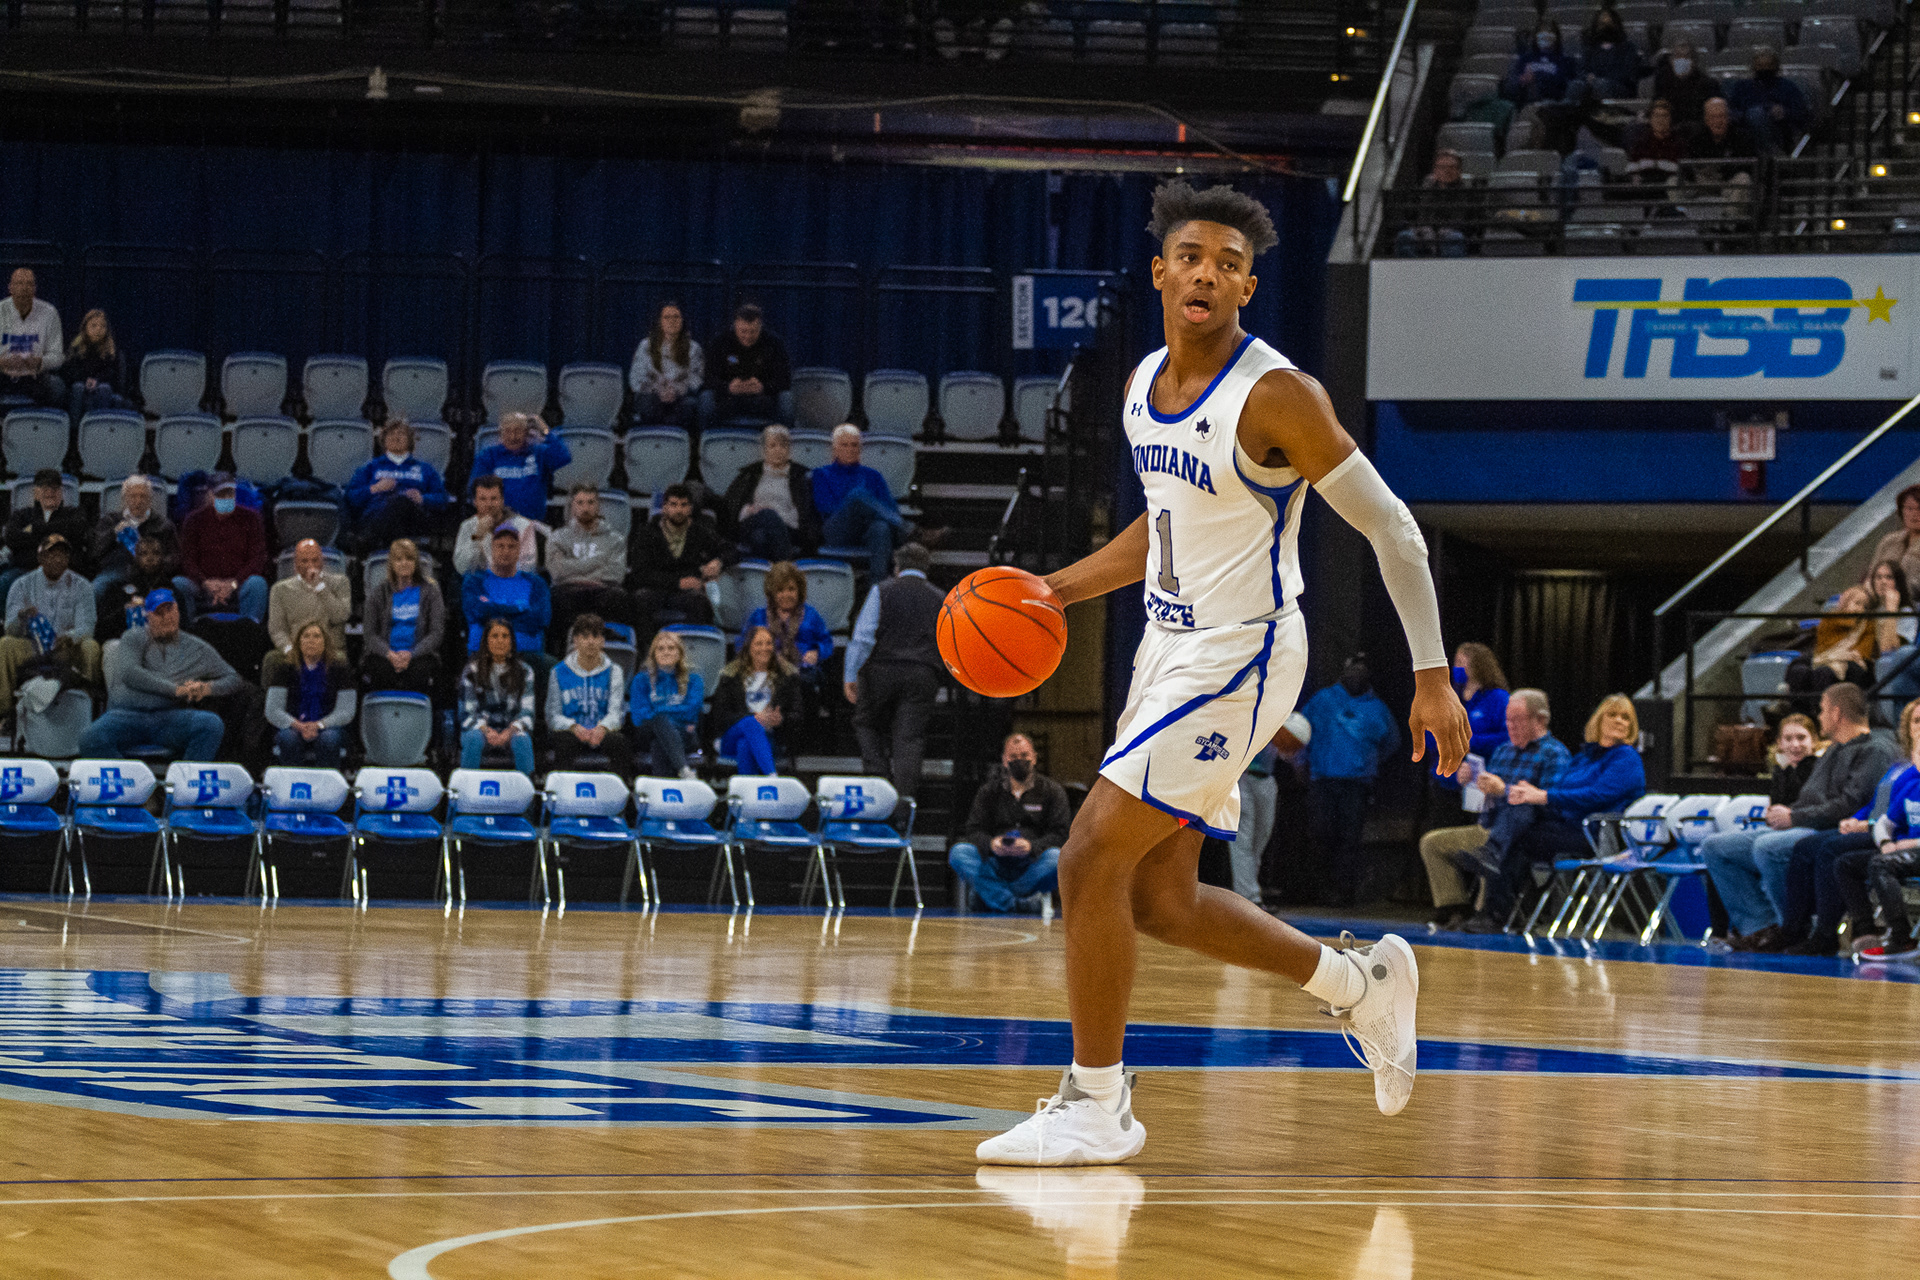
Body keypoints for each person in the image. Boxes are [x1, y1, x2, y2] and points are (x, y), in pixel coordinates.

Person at [974, 181, 1469, 1168]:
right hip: (1167, 650)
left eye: (1229, 264)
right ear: (1161, 271)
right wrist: (1054, 590)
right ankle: (1358, 986)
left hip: (1243, 653)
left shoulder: (1278, 395)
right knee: (1160, 900)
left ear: (1247, 286)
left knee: (1086, 856)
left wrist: (1431, 674)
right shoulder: (1141, 384)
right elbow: (1162, 526)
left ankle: (1097, 1104)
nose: (1207, 273)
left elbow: (1394, 528)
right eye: (1192, 256)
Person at [1703, 682, 1900, 952]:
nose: (1819, 716)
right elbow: (1810, 799)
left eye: (1822, 710)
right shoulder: (1833, 749)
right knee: (1716, 847)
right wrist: (1784, 814)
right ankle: (1761, 927)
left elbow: (1850, 804)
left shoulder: (1874, 750)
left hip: (1831, 828)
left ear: (1836, 713)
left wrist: (1794, 817)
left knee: (1768, 847)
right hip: (1804, 823)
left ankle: (1792, 927)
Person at [1454, 693, 1647, 932]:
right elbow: (1561, 790)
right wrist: (1526, 793)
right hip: (1566, 825)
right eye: (1613, 715)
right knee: (1521, 812)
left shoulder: (1627, 758)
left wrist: (1542, 796)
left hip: (1595, 832)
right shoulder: (1584, 758)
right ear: (1599, 720)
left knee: (1520, 834)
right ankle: (1503, 908)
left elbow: (1596, 795)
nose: (1619, 721)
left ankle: (1499, 909)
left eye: (1626, 717)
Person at [1419, 689, 1570, 930]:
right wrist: (1470, 782)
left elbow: (1549, 804)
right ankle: (1455, 908)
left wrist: (1503, 790)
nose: (1510, 726)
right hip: (1489, 826)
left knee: (1493, 853)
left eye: (1517, 720)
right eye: (1507, 720)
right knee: (1432, 842)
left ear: (1540, 720)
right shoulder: (1503, 751)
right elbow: (1484, 800)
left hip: (1525, 832)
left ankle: (1487, 911)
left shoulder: (1555, 754)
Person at [1781, 699, 1920, 956]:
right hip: (1883, 833)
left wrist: (1871, 827)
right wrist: (1856, 819)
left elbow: (1891, 818)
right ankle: (1802, 930)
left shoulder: (1912, 770)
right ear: (1907, 726)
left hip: (1901, 839)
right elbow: (1880, 806)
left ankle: (1827, 934)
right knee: (1813, 850)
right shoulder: (1900, 767)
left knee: (1831, 849)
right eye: (1916, 721)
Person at [77, 588, 241, 761]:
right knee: (90, 738)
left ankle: (186, 775)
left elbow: (234, 679)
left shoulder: (197, 647)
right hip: (127, 715)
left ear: (178, 611)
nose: (166, 617)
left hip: (170, 718)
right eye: (159, 613)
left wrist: (206, 688)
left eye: (170, 610)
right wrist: (176, 690)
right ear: (148, 616)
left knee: (211, 724)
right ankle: (129, 776)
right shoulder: (133, 637)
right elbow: (130, 674)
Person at [845, 542, 944, 800]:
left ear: (897, 566)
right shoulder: (941, 598)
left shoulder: (882, 590)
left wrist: (850, 674)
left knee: (867, 724)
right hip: (923, 672)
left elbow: (863, 638)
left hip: (882, 669)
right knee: (909, 740)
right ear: (926, 568)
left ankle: (879, 787)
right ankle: (903, 807)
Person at [1301, 655, 1401, 906]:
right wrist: (1300, 763)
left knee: (1350, 838)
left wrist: (1368, 762)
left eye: (1362, 670)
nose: (1357, 674)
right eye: (1353, 669)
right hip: (1323, 779)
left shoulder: (1378, 708)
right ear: (1343, 672)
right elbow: (1300, 731)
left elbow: (1392, 743)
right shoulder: (1323, 699)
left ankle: (1344, 893)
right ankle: (1319, 891)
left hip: (1357, 784)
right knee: (1321, 833)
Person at [949, 733, 1073, 913]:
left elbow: (1061, 833)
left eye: (1024, 755)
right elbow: (974, 830)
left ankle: (991, 896)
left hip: (1032, 863)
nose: (1019, 760)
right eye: (1013, 757)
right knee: (959, 852)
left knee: (1057, 858)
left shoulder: (1052, 791)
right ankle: (1017, 904)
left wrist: (1032, 847)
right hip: (995, 861)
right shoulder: (988, 792)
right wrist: (991, 844)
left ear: (1034, 758)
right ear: (1004, 760)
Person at [0, 534, 100, 719]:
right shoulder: (21, 585)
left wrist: (70, 637)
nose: (58, 559)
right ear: (40, 558)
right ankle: (5, 713)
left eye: (63, 555)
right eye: (52, 554)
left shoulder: (82, 586)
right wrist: (21, 618)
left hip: (67, 647)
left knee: (91, 647)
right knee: (5, 644)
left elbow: (87, 627)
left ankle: (88, 710)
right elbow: (9, 629)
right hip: (33, 646)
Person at [1227, 712, 1310, 906]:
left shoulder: (1284, 720)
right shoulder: (1254, 715)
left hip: (1266, 779)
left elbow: (1289, 754)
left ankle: (1248, 894)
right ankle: (1249, 898)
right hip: (1242, 778)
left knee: (1260, 840)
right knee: (1242, 840)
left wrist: (1294, 754)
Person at [813, 424, 911, 581]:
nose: (850, 449)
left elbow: (890, 509)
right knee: (858, 496)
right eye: (844, 445)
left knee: (881, 528)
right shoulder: (821, 474)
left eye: (854, 445)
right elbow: (825, 507)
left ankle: (877, 587)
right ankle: (909, 530)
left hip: (867, 532)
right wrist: (857, 508)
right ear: (834, 448)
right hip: (837, 531)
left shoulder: (873, 476)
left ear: (860, 448)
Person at [628, 482, 727, 637]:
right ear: (664, 507)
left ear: (690, 508)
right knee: (639, 599)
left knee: (700, 602)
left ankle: (692, 648)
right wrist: (677, 582)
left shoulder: (700, 532)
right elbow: (639, 573)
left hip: (687, 593)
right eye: (673, 505)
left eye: (683, 505)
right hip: (655, 588)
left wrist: (718, 562)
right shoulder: (647, 533)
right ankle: (646, 648)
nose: (679, 510)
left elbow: (730, 549)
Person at [546, 613, 635, 776]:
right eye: (585, 637)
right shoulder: (558, 672)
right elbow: (553, 716)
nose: (591, 641)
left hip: (602, 731)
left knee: (620, 742)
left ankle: (621, 788)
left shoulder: (614, 671)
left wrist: (603, 727)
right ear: (575, 641)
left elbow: (616, 713)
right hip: (571, 732)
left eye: (595, 636)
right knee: (563, 741)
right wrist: (573, 727)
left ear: (602, 641)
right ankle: (561, 788)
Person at [345, 419, 451, 552]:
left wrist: (423, 498)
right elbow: (351, 497)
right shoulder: (370, 467)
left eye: (401, 433)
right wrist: (375, 488)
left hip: (413, 519)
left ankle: (367, 542)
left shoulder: (425, 469)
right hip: (376, 515)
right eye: (391, 434)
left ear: (410, 440)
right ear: (384, 440)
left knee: (401, 501)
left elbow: (443, 499)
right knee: (392, 504)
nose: (396, 437)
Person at [711, 624, 802, 775]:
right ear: (749, 647)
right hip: (731, 737)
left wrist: (781, 719)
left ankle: (750, 787)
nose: (764, 648)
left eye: (769, 643)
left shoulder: (787, 676)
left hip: (770, 738)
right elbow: (720, 715)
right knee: (751, 723)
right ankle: (772, 776)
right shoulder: (731, 675)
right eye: (758, 643)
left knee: (744, 745)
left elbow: (797, 715)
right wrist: (754, 717)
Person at [178, 473, 269, 623]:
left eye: (230, 493)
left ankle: (250, 630)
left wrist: (233, 583)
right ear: (210, 495)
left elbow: (257, 558)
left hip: (239, 584)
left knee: (257, 584)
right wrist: (205, 582)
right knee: (179, 584)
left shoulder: (251, 518)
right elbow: (187, 559)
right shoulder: (193, 520)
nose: (226, 498)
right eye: (221, 494)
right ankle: (189, 630)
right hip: (203, 584)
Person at [265, 620, 354, 769]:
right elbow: (273, 710)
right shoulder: (284, 669)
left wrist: (319, 725)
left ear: (325, 643)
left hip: (329, 726)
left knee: (329, 738)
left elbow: (346, 711)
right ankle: (292, 779)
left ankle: (327, 780)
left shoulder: (340, 670)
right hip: (293, 724)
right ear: (298, 642)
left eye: (316, 636)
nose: (311, 640)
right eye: (306, 636)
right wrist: (298, 725)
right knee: (288, 738)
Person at [362, 537, 445, 695]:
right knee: (378, 670)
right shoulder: (378, 593)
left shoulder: (431, 591)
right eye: (399, 559)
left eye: (409, 558)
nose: (404, 563)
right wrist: (389, 654)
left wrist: (411, 654)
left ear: (416, 563)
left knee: (421, 671)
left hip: (419, 655)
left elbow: (436, 633)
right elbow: (369, 634)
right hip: (386, 655)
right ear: (392, 564)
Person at [548, 485, 632, 639]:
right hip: (569, 590)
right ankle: (564, 647)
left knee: (619, 596)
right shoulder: (558, 537)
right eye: (580, 503)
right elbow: (558, 572)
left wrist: (574, 570)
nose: (585, 508)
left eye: (590, 502)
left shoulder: (615, 539)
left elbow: (615, 574)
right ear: (572, 507)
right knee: (555, 597)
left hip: (602, 590)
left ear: (598, 506)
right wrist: (597, 562)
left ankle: (610, 642)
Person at [263, 538, 352, 685]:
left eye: (315, 560)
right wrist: (291, 650)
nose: (311, 565)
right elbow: (277, 630)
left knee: (340, 660)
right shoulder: (280, 590)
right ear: (296, 563)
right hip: (294, 650)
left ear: (322, 561)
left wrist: (321, 588)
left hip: (330, 651)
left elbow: (341, 616)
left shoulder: (340, 583)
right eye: (304, 561)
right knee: (271, 660)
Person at [88, 474, 180, 617]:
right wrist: (113, 534)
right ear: (125, 499)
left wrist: (156, 565)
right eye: (133, 496)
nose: (138, 501)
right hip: (116, 570)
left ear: (150, 499)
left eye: (143, 496)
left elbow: (174, 557)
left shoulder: (163, 525)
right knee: (96, 588)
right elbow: (95, 552)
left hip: (153, 574)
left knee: (178, 589)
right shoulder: (110, 521)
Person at [724, 424, 819, 561]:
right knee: (766, 515)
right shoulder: (749, 475)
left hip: (788, 529)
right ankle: (785, 566)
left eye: (783, 446)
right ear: (764, 450)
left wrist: (777, 516)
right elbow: (730, 509)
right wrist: (748, 510)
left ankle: (767, 572)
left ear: (789, 450)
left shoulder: (801, 476)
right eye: (773, 446)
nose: (778, 450)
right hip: (752, 523)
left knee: (760, 537)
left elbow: (806, 514)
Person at [459, 618, 536, 773]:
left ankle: (527, 786)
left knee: (522, 739)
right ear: (486, 641)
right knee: (473, 739)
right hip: (480, 729)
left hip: (512, 729)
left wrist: (510, 731)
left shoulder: (525, 671)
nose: (500, 641)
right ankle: (468, 785)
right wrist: (486, 730)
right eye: (495, 636)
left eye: (505, 636)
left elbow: (528, 712)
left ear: (511, 641)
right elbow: (467, 713)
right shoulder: (471, 672)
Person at [742, 559, 833, 690]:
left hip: (803, 674)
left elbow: (827, 643)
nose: (786, 595)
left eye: (791, 589)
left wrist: (817, 652)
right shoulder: (759, 616)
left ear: (799, 591)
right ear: (772, 593)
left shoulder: (811, 615)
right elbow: (743, 645)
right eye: (780, 590)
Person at [461, 525, 551, 657]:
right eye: (500, 546)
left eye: (511, 546)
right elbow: (477, 612)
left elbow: (540, 619)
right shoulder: (475, 581)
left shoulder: (536, 583)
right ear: (492, 549)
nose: (506, 551)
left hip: (527, 654)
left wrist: (494, 613)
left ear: (519, 550)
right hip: (484, 655)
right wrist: (519, 609)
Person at [700, 302, 792, 429]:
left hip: (762, 400)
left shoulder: (775, 344)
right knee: (706, 398)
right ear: (735, 325)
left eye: (753, 332)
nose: (748, 336)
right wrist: (728, 387)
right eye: (743, 331)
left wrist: (763, 387)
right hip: (728, 400)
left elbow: (785, 380)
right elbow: (708, 378)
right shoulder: (720, 342)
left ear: (760, 326)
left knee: (786, 399)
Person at [1, 468, 88, 602]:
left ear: (61, 492)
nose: (50, 492)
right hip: (25, 569)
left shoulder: (74, 514)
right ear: (35, 492)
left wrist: (33, 529)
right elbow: (11, 538)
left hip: (64, 572)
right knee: (4, 583)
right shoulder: (22, 515)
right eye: (45, 488)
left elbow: (76, 532)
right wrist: (55, 534)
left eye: (55, 488)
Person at [629, 627, 704, 778]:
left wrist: (659, 712)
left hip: (684, 734)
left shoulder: (694, 679)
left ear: (679, 653)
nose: (666, 652)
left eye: (671, 648)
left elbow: (692, 711)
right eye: (660, 649)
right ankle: (684, 771)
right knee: (659, 722)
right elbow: (638, 717)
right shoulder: (641, 680)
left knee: (659, 742)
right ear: (653, 654)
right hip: (648, 732)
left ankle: (663, 788)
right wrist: (666, 717)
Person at [471, 411, 571, 522]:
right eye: (508, 431)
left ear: (527, 433)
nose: (513, 437)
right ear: (500, 433)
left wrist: (545, 430)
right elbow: (475, 489)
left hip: (532, 522)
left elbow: (563, 457)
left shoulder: (539, 453)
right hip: (497, 522)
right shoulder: (488, 456)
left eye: (518, 431)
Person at [1785, 585, 1881, 700]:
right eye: (1857, 603)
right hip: (1827, 656)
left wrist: (1837, 655)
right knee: (1798, 668)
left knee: (1824, 672)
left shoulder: (1867, 625)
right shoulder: (1829, 621)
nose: (1860, 609)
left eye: (1864, 606)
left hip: (1852, 661)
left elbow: (1861, 653)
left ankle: (1821, 709)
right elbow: (1822, 648)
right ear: (1845, 602)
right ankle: (1795, 708)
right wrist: (1832, 655)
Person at [96, 534, 194, 642]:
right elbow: (103, 627)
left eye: (155, 553)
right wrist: (125, 611)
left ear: (163, 557)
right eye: (144, 553)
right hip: (125, 642)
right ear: (136, 557)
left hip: (163, 643)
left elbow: (184, 627)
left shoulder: (172, 591)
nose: (150, 558)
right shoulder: (120, 588)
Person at [629, 299, 704, 429]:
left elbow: (697, 379)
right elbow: (636, 379)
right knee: (647, 403)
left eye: (676, 317)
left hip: (680, 396)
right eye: (667, 317)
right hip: (652, 395)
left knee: (690, 405)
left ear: (682, 320)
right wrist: (658, 391)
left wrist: (676, 391)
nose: (672, 321)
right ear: (660, 321)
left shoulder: (694, 348)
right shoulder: (645, 346)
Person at [1727, 47, 1810, 156]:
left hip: (1780, 132)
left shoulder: (1788, 87)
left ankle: (1769, 154)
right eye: (1760, 65)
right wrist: (1747, 116)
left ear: (1776, 67)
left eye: (1768, 65)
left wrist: (1784, 113)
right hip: (1747, 132)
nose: (1764, 69)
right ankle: (1772, 154)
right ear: (1753, 67)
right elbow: (1731, 112)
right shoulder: (1741, 87)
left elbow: (1803, 115)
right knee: (1755, 114)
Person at [0, 268, 64, 408]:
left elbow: (58, 356)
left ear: (35, 289)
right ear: (10, 288)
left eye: (29, 284)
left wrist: (39, 362)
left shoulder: (49, 313)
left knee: (57, 385)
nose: (24, 288)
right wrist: (2, 362)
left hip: (35, 375)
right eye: (19, 283)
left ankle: (48, 421)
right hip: (3, 374)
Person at [1392, 150, 1475, 259]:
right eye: (1442, 167)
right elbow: (1413, 215)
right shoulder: (1423, 190)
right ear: (1435, 170)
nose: (1447, 171)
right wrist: (1421, 229)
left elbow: (1468, 221)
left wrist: (1443, 230)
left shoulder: (1467, 192)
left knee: (1455, 238)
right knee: (1404, 237)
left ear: (1459, 171)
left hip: (1451, 232)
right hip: (1423, 231)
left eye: (1452, 167)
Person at [454, 475, 541, 577]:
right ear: (475, 502)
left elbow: (528, 567)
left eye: (494, 498)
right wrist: (477, 536)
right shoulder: (467, 526)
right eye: (483, 499)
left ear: (502, 500)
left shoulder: (523, 525)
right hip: (479, 583)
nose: (489, 504)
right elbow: (462, 568)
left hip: (514, 583)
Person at [64, 308, 130, 422]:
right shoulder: (76, 348)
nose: (98, 329)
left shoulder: (112, 352)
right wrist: (86, 380)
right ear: (85, 328)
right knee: (78, 387)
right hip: (80, 384)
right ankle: (74, 427)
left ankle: (100, 425)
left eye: (102, 326)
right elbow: (70, 372)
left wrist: (97, 380)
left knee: (104, 388)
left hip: (102, 385)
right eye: (94, 326)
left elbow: (113, 375)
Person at [1502, 21, 1577, 106]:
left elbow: (1564, 81)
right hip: (1525, 96)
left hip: (1552, 98)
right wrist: (1522, 79)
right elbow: (1516, 76)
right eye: (1542, 32)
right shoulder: (1526, 58)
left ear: (1556, 37)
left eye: (1549, 32)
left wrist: (1536, 77)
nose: (1545, 35)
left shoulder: (1565, 60)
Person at [1653, 42, 1722, 128]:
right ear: (1671, 61)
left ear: (1694, 61)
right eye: (1678, 56)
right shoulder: (1663, 83)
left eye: (1686, 57)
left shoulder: (1708, 84)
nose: (1682, 60)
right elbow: (1656, 108)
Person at [1626, 100, 1687, 193]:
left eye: (1664, 116)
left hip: (1670, 187)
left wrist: (1653, 164)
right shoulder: (1641, 142)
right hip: (1644, 187)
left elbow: (1682, 170)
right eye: (1656, 116)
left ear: (1670, 119)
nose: (1660, 120)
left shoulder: (1679, 142)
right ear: (1650, 119)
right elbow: (1631, 168)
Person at [1870, 484, 1920, 597]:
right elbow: (1871, 576)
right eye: (1909, 508)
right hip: (1880, 599)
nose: (1915, 514)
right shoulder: (1889, 541)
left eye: (1919, 508)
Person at [1579, 9, 1641, 99]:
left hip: (1619, 86)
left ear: (1616, 25)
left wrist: (1600, 79)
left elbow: (1628, 74)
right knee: (1576, 85)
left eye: (1608, 24)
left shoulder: (1627, 47)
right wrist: (1587, 77)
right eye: (1601, 24)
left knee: (1601, 84)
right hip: (1592, 84)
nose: (1604, 27)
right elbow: (1582, 69)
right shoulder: (1590, 48)